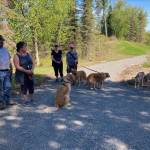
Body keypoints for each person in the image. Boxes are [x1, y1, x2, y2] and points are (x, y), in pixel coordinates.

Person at [0, 35, 13, 110]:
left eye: (2, 41)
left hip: (7, 71)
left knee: (8, 87)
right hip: (0, 72)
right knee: (0, 89)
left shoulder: (5, 49)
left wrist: (11, 69)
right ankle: (1, 103)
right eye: (0, 41)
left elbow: (9, 60)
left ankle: (7, 100)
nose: (2, 42)